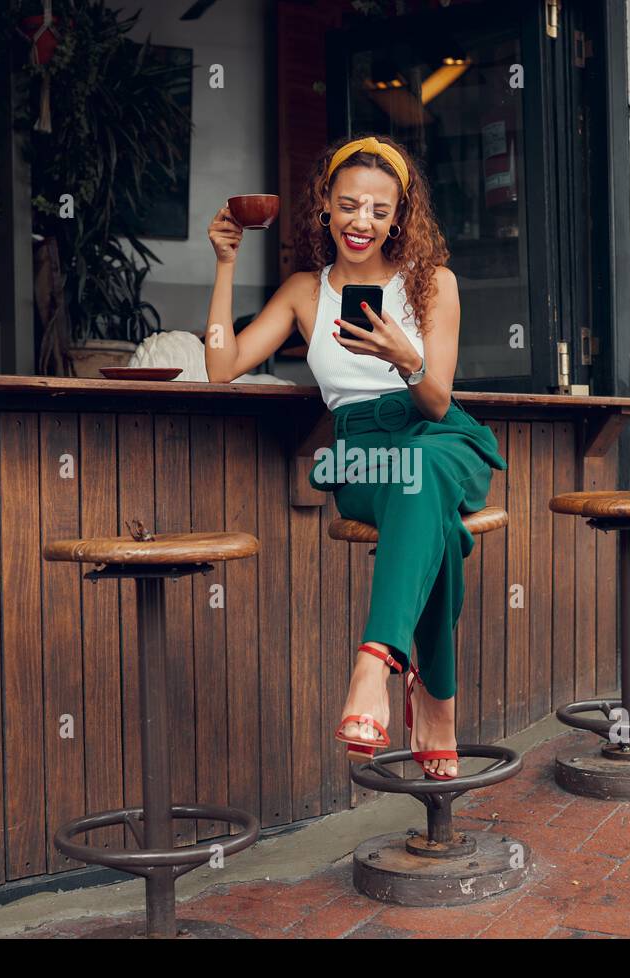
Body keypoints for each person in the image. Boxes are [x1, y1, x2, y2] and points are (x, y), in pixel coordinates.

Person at [205, 134, 506, 780]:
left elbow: (434, 401)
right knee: (433, 522)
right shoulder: (303, 294)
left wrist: (405, 357)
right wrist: (226, 265)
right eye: (348, 205)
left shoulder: (435, 285)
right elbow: (220, 365)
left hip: (439, 438)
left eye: (377, 209)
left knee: (423, 473)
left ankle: (374, 662)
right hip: (361, 457)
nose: (360, 222)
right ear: (325, 206)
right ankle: (437, 699)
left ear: (399, 216)